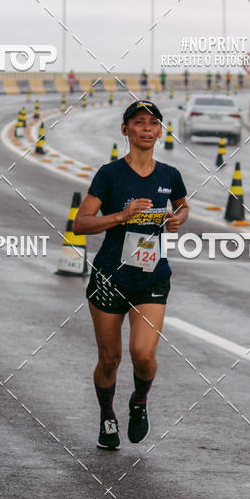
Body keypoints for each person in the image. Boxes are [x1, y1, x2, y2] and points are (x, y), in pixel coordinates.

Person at [73, 100, 189, 450]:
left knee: (143, 354)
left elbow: (183, 206)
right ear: (126, 129)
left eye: (154, 123)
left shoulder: (169, 175)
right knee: (110, 359)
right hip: (110, 276)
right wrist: (121, 216)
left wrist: (178, 218)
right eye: (139, 123)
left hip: (152, 276)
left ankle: (139, 400)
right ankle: (107, 415)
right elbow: (81, 223)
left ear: (160, 131)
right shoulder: (110, 175)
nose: (147, 129)